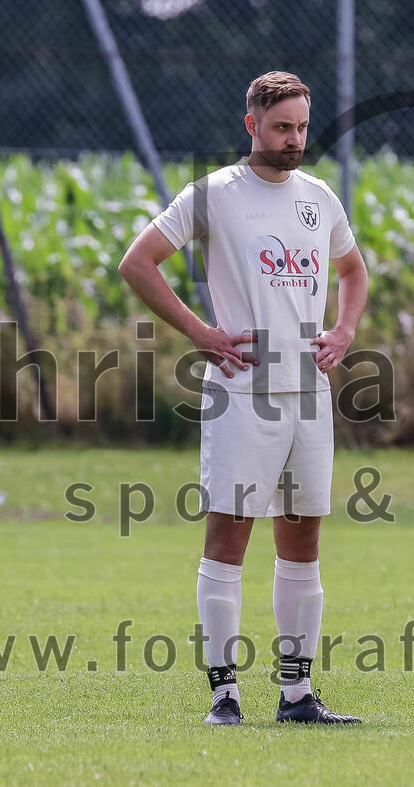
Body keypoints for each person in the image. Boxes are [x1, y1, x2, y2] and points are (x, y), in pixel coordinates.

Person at [119, 71, 368, 726]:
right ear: (252, 124)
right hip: (241, 393)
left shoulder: (319, 197)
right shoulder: (214, 194)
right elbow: (137, 262)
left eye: (302, 127)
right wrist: (201, 334)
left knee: (303, 542)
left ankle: (297, 695)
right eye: (282, 127)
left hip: (308, 395)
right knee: (228, 537)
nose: (294, 140)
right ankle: (224, 695)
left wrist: (344, 330)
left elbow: (352, 270)